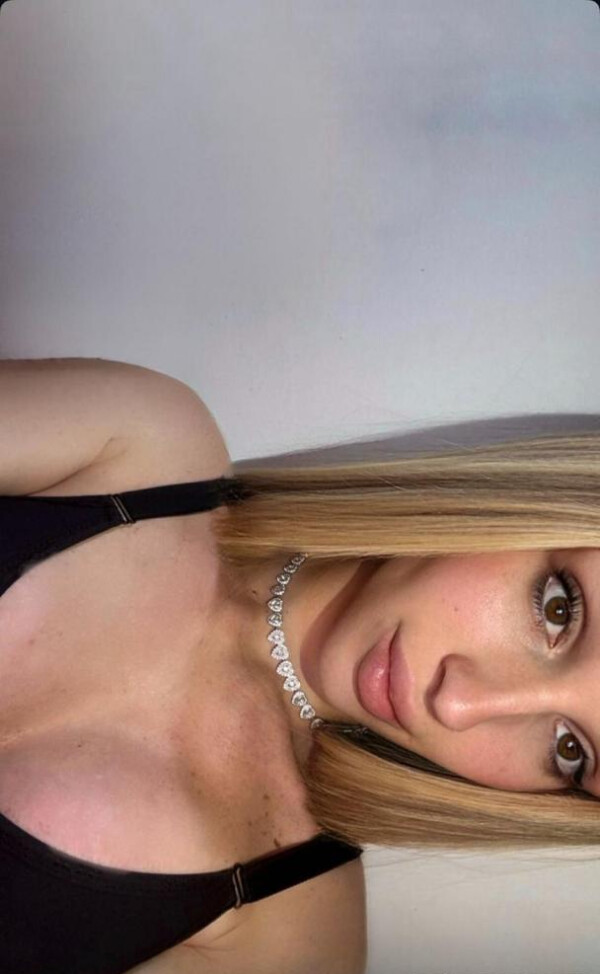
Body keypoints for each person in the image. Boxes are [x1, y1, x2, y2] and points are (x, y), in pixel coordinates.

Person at [1, 358, 600, 974]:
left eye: (570, 751)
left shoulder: (291, 940)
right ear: (530, 505)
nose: (458, 704)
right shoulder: (137, 442)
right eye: (558, 609)